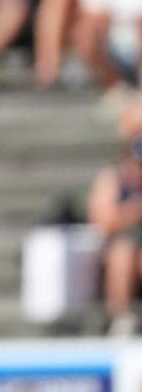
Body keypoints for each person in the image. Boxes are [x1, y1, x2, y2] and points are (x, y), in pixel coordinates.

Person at [88, 139, 142, 336]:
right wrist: (134, 210)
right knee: (123, 255)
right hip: (117, 245)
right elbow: (103, 221)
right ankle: (122, 318)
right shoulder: (113, 178)